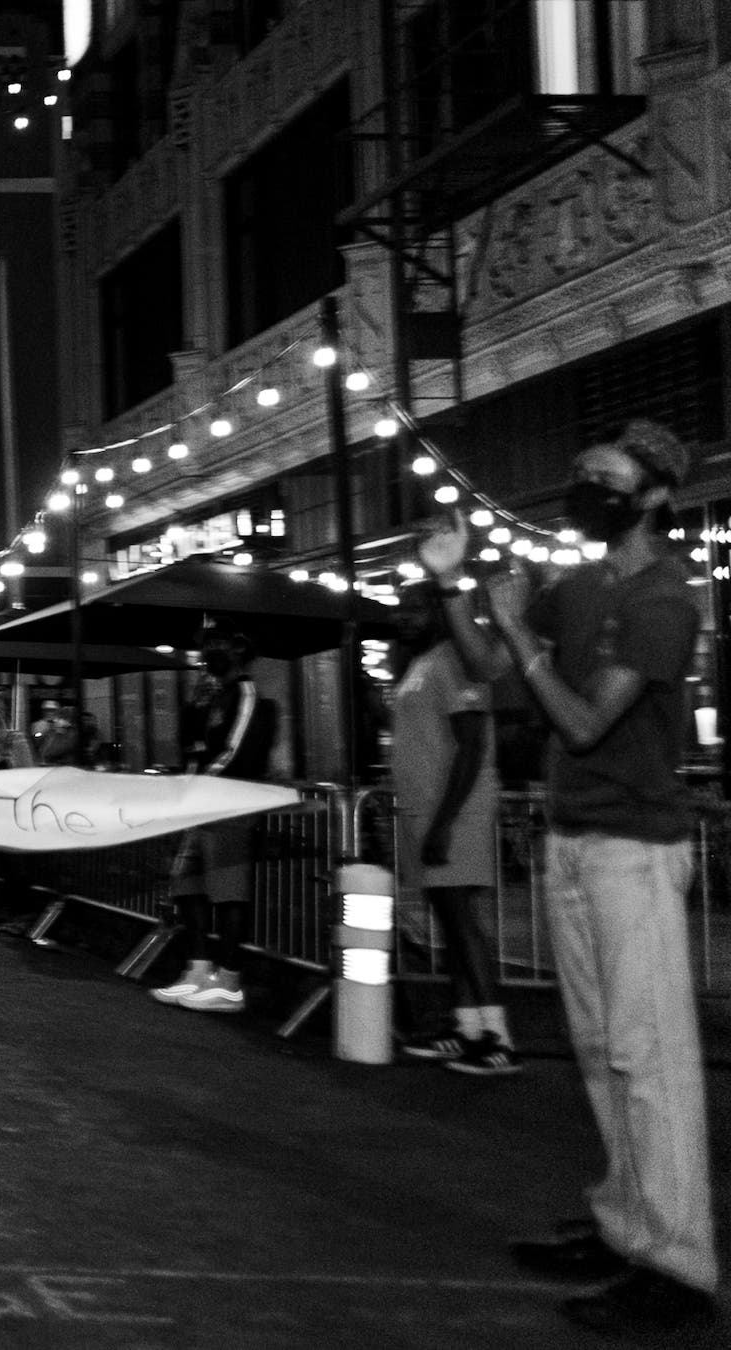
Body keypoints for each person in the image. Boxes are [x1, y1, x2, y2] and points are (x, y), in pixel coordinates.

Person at [424, 419, 716, 1332]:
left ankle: (679, 1265)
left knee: (650, 1058)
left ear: (654, 493)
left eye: (605, 477)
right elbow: (482, 666)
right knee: (600, 1050)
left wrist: (520, 630)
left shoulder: (668, 596)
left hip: (635, 846)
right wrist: (450, 584)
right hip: (574, 840)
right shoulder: (577, 584)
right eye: (579, 472)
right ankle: (626, 1220)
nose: (584, 488)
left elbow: (586, 724)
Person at [386, 581, 515, 1075]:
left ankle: (499, 1039)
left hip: (454, 813)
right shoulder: (420, 663)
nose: (404, 616)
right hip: (427, 813)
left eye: (416, 608)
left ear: (442, 613)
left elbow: (472, 743)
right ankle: (466, 1028)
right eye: (401, 608)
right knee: (452, 927)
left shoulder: (457, 657)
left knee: (463, 925)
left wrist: (444, 822)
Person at [150, 629, 277, 1015]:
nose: (208, 652)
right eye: (205, 645)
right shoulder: (213, 696)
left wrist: (203, 783)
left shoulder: (246, 694)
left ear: (239, 649)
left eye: (217, 644)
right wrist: (193, 708)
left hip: (228, 805)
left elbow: (235, 748)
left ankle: (230, 980)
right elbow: (192, 746)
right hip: (200, 805)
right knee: (187, 886)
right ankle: (199, 969)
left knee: (227, 892)